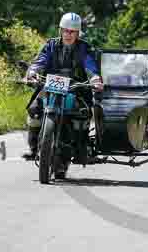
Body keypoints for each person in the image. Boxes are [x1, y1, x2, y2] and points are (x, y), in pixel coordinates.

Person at [23, 12, 104, 162]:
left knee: (83, 113)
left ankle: (82, 150)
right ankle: (33, 149)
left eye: (72, 31)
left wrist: (94, 78)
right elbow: (40, 60)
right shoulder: (51, 45)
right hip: (50, 86)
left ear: (78, 33)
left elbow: (91, 66)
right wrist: (32, 72)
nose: (68, 34)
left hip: (76, 88)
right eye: (66, 30)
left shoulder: (84, 48)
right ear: (60, 30)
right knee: (34, 110)